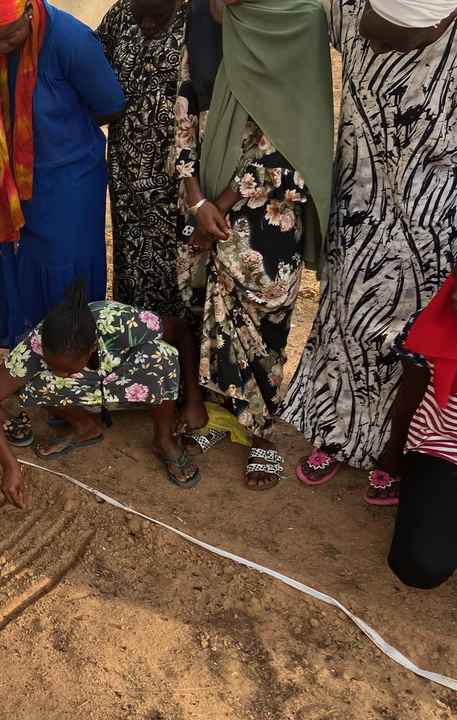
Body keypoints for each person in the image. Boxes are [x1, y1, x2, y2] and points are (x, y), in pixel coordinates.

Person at [280, 0, 457, 487]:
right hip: (357, 212)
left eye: (388, 40)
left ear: (439, 23)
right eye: (368, 35)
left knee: (409, 345)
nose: (372, 46)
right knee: (345, 326)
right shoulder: (354, 8)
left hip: (434, 231)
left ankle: (398, 451)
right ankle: (333, 434)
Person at [174, 0, 333, 490]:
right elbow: (185, 106)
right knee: (205, 311)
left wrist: (217, 203)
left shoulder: (300, 20)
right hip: (201, 202)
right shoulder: (199, 14)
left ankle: (263, 434)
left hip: (266, 209)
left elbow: (298, 140)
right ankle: (225, 416)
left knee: (266, 322)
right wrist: (193, 191)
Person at [0, 0, 126, 349]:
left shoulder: (71, 41)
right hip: (17, 180)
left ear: (27, 10)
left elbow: (111, 106)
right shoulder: (0, 34)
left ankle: (69, 359)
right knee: (27, 260)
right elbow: (2, 83)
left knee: (63, 273)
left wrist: (51, 132)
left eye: (8, 38)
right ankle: (37, 356)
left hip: (70, 182)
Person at [0, 277, 208, 509]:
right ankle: (84, 427)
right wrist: (10, 466)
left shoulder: (123, 322)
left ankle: (163, 439)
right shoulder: (37, 343)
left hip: (132, 391)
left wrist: (195, 400)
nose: (60, 374)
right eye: (54, 365)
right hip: (89, 394)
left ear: (93, 346)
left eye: (66, 368)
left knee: (161, 355)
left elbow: (184, 331)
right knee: (31, 381)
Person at [97, 0, 189, 318]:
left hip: (180, 174)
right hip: (125, 171)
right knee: (131, 263)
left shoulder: (198, 17)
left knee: (177, 269)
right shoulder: (122, 13)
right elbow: (90, 62)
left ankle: (180, 356)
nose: (146, 25)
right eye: (141, 17)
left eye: (155, 17)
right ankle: (137, 352)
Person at [384, 267, 457, 588]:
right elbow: (408, 397)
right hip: (444, 447)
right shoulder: (434, 322)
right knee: (418, 565)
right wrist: (394, 455)